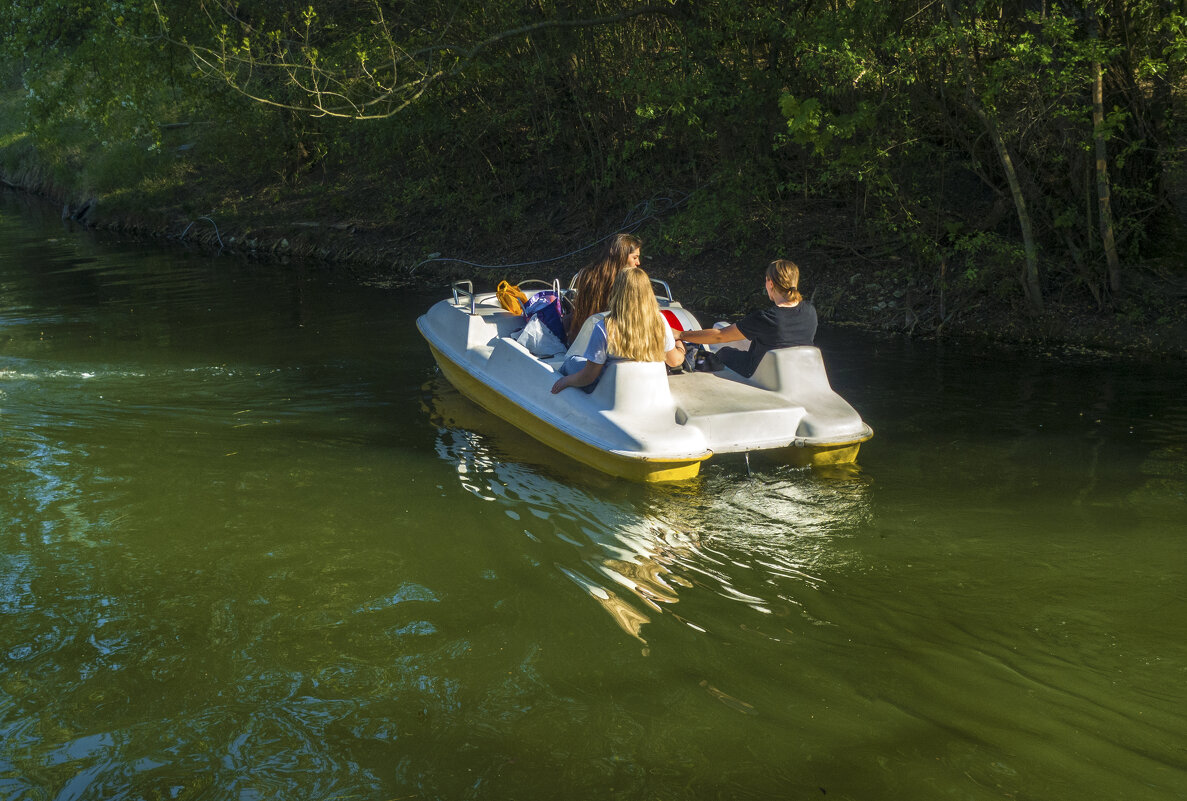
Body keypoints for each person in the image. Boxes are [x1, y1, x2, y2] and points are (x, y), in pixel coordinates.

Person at [552, 267, 685, 394]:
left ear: (617, 292)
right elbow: (674, 361)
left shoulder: (605, 326)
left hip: (611, 391)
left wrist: (566, 381)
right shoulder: (660, 322)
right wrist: (679, 344)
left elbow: (589, 376)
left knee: (571, 361)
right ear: (649, 293)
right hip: (647, 390)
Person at [676, 259, 817, 378]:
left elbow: (720, 336)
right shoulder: (810, 311)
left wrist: (681, 334)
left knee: (724, 352)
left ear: (771, 283)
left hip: (757, 372)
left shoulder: (767, 318)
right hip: (795, 373)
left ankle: (693, 359)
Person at [565, 232, 642, 345]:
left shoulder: (587, 274)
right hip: (612, 341)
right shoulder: (625, 282)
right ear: (621, 256)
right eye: (635, 257)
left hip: (582, 338)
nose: (638, 263)